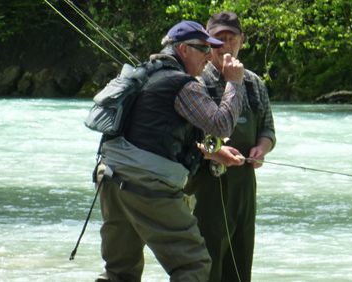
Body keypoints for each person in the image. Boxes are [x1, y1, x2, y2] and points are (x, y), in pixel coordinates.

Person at [94, 20, 248, 282]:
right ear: (184, 50)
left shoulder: (144, 73)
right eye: (203, 49)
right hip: (146, 185)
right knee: (194, 265)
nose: (209, 56)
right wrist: (234, 82)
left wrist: (212, 153)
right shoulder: (182, 84)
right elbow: (222, 124)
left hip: (109, 179)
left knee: (120, 272)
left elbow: (152, 136)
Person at [183, 11, 276, 282]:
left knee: (241, 259)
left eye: (231, 38)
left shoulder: (254, 82)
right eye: (218, 39)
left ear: (241, 41)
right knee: (206, 262)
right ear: (208, 42)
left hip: (245, 184)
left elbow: (267, 128)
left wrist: (262, 147)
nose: (225, 45)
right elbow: (189, 136)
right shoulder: (197, 80)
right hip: (206, 183)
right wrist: (216, 153)